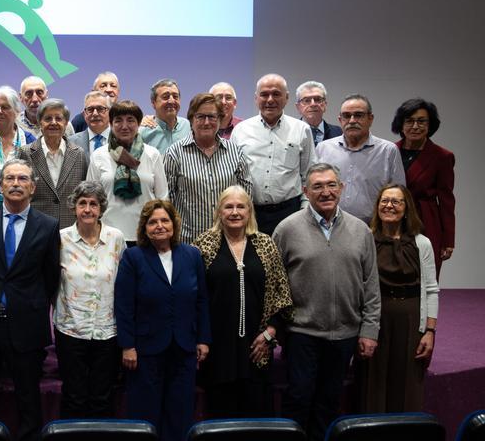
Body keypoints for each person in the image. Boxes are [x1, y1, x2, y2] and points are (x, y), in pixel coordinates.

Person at [272, 163, 380, 441]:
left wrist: (369, 330)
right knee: (298, 399)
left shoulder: (361, 231)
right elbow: (273, 285)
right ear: (305, 191)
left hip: (345, 333)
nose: (326, 191)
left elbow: (371, 286)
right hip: (301, 334)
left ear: (341, 189)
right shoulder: (286, 229)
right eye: (317, 186)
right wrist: (278, 329)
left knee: (329, 403)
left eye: (331, 185)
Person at [0, 158, 60, 441]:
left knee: (29, 402)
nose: (15, 184)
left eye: (22, 179)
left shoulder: (48, 225)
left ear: (33, 186)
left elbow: (50, 277)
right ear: (1, 185)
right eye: (9, 178)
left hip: (26, 325)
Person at [115, 199, 211, 441]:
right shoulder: (133, 256)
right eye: (153, 222)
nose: (159, 226)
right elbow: (124, 305)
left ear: (174, 224)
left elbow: (201, 300)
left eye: (164, 220)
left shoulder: (191, 255)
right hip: (145, 350)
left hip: (183, 347)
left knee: (179, 412)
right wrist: (128, 345)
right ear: (144, 228)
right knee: (145, 412)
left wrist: (203, 339)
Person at [194, 186, 292, 418]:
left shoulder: (265, 244)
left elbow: (282, 294)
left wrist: (269, 333)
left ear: (250, 212)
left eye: (241, 206)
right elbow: (196, 298)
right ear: (219, 211)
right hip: (217, 349)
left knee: (255, 415)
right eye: (229, 206)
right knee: (220, 417)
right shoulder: (203, 245)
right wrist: (201, 338)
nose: (235, 212)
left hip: (256, 347)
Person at [357, 184, 438, 412]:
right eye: (384, 201)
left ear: (406, 208)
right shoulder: (366, 239)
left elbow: (431, 289)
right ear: (377, 206)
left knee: (407, 385)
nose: (389, 206)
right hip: (375, 320)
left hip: (411, 321)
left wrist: (430, 331)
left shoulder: (422, 244)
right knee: (373, 382)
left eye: (396, 201)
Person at [54, 181, 125, 418]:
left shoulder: (116, 238)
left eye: (93, 204)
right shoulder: (60, 239)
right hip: (70, 329)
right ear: (74, 207)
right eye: (82, 203)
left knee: (102, 397)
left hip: (107, 330)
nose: (87, 209)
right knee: (74, 396)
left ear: (101, 209)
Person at [232, 73, 316, 235]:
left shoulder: (301, 130)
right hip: (251, 214)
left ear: (287, 97)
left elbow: (309, 175)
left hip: (290, 212)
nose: (270, 100)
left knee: (289, 260)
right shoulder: (241, 130)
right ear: (256, 98)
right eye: (264, 94)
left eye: (276, 94)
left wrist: (304, 211)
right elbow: (234, 176)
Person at [164, 93, 252, 244]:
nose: (206, 122)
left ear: (220, 119)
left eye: (212, 117)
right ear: (191, 119)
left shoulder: (235, 153)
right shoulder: (174, 153)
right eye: (200, 117)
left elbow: (246, 196)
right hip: (189, 242)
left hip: (228, 240)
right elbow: (167, 199)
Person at [87, 100, 168, 245]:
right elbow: (91, 199)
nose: (124, 126)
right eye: (118, 121)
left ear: (138, 124)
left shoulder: (152, 154)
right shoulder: (99, 155)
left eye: (130, 120)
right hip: (107, 238)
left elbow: (162, 197)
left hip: (146, 237)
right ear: (111, 124)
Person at [316, 94, 405, 224]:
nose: (352, 120)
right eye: (346, 116)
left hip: (374, 229)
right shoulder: (323, 148)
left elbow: (400, 194)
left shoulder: (388, 151)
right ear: (340, 120)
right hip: (330, 227)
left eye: (358, 115)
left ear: (370, 119)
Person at [392, 98, 455, 278]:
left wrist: (448, 239)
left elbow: (446, 200)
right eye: (409, 121)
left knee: (426, 277)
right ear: (401, 124)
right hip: (392, 220)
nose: (415, 126)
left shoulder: (442, 156)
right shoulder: (389, 150)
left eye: (421, 121)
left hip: (426, 221)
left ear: (430, 125)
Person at [18, 98, 88, 229]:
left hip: (71, 229)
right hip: (36, 228)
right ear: (39, 123)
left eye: (59, 118)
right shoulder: (25, 153)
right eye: (48, 118)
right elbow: (21, 193)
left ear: (66, 123)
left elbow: (83, 193)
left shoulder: (79, 154)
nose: (53, 123)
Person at [0, 85, 36, 203]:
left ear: (16, 111)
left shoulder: (30, 140)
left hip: (22, 207)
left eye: (5, 107)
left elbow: (35, 178)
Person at [140, 78, 191, 153]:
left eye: (175, 96)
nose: (171, 101)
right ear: (153, 103)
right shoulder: (143, 133)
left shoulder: (189, 126)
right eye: (165, 97)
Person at [295, 81, 341, 146]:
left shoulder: (338, 133)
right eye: (307, 100)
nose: (313, 104)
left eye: (317, 99)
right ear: (298, 107)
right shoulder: (290, 133)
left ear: (325, 105)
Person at [69, 91, 112, 159]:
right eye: (90, 109)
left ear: (110, 112)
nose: (95, 114)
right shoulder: (70, 142)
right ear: (84, 114)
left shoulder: (122, 140)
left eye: (100, 109)